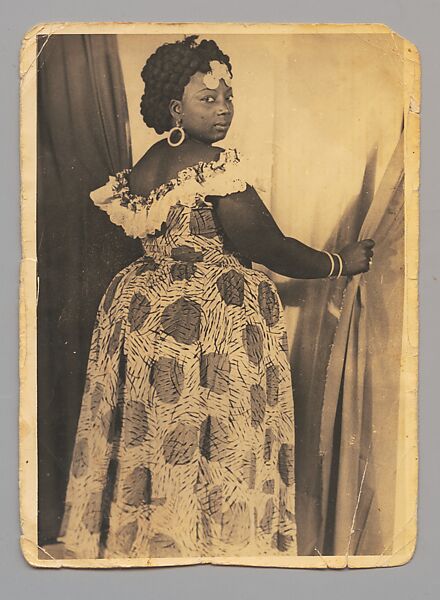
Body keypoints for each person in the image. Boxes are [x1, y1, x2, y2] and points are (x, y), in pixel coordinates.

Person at [58, 36, 374, 560]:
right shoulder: (214, 165)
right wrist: (339, 263)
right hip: (208, 320)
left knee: (161, 432)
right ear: (176, 109)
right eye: (209, 99)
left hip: (142, 313)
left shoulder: (148, 165)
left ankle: (158, 544)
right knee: (211, 434)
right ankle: (215, 547)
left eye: (228, 96)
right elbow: (267, 245)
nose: (224, 108)